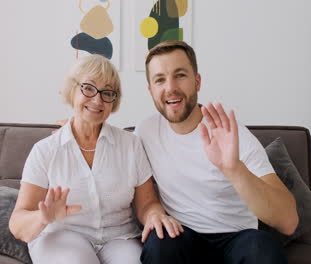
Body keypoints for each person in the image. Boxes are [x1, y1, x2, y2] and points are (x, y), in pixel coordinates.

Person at [135, 40, 299, 264]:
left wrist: (233, 169)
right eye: (160, 79)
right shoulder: (146, 131)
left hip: (238, 237)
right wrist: (72, 123)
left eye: (180, 75)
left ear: (197, 81)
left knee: (263, 248)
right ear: (151, 90)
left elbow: (288, 221)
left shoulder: (232, 134)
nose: (170, 87)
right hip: (182, 235)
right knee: (159, 243)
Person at [9, 54, 183, 264]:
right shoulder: (45, 151)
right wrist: (43, 217)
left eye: (107, 93)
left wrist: (155, 215)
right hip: (62, 236)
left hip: (119, 238)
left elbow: (147, 203)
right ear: (72, 90)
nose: (97, 100)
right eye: (89, 88)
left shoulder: (131, 145)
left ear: (114, 101)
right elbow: (18, 224)